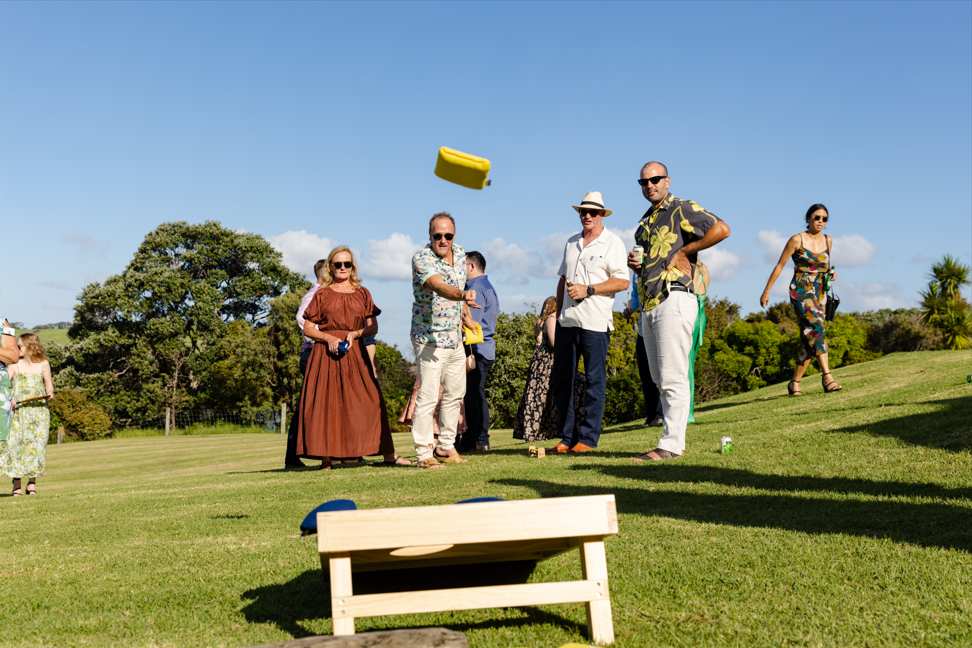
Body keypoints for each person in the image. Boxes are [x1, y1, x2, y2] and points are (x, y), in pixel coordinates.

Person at [629, 162, 731, 461]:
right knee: (659, 378)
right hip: (650, 303)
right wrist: (637, 264)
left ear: (667, 181)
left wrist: (685, 251)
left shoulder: (681, 208)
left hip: (674, 297)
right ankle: (672, 441)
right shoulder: (644, 224)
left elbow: (721, 229)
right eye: (643, 182)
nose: (650, 185)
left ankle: (671, 445)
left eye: (655, 179)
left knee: (673, 376)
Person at [296, 246, 410, 470]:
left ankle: (389, 455)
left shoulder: (362, 293)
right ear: (330, 266)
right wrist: (327, 337)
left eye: (346, 264)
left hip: (355, 354)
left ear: (352, 267)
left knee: (371, 401)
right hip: (325, 356)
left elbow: (372, 326)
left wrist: (357, 333)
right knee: (327, 405)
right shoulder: (321, 294)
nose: (342, 268)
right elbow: (308, 328)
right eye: (338, 264)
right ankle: (326, 459)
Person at [549, 192, 629, 454]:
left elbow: (622, 281)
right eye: (583, 211)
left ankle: (588, 439)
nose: (587, 216)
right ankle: (566, 437)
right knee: (563, 380)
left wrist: (589, 290)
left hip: (595, 323)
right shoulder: (571, 242)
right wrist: (559, 314)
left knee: (595, 381)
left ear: (602, 215)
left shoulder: (613, 243)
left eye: (593, 212)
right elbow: (562, 281)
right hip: (567, 323)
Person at [409, 212, 481, 469]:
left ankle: (445, 446)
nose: (443, 240)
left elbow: (459, 290)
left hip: (454, 338)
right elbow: (438, 286)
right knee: (428, 397)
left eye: (447, 235)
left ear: (454, 236)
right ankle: (423, 454)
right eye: (437, 235)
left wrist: (467, 318)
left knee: (455, 393)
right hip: (429, 338)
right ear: (429, 236)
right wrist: (463, 294)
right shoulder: (422, 258)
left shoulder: (460, 254)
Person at [760, 204, 842, 395]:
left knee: (808, 339)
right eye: (816, 217)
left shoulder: (829, 241)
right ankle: (827, 377)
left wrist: (832, 273)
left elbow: (825, 266)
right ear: (808, 218)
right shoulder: (797, 239)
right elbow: (780, 265)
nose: (820, 221)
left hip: (820, 292)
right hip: (801, 291)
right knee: (817, 330)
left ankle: (794, 382)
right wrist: (766, 291)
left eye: (824, 218)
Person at [512, 297, 588, 442]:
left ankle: (547, 429)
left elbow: (537, 341)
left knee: (542, 396)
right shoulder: (552, 319)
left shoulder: (540, 322)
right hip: (550, 361)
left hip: (541, 361)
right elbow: (554, 343)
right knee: (553, 394)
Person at [284, 259, 327, 469]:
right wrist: (322, 336)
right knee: (305, 406)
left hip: (319, 353)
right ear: (324, 274)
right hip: (313, 354)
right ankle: (292, 457)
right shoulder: (315, 295)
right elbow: (301, 318)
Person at [1, 333, 54, 495]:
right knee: (15, 447)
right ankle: (16, 484)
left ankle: (32, 484)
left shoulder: (43, 363)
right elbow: (5, 385)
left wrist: (50, 393)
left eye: (20, 346)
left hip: (38, 413)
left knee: (36, 447)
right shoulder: (14, 364)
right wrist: (11, 398)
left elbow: (49, 385)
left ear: (31, 346)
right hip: (18, 413)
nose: (17, 349)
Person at [460, 251, 498, 452]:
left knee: (472, 395)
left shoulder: (474, 288)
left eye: (462, 264)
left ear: (471, 266)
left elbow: (470, 323)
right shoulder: (487, 286)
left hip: (475, 349)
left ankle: (474, 440)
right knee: (477, 394)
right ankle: (480, 440)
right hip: (486, 348)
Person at [623, 277, 664, 428]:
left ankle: (660, 415)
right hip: (643, 327)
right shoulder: (635, 270)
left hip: (660, 323)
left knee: (661, 371)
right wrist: (630, 308)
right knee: (646, 373)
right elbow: (635, 294)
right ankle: (651, 414)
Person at [687, 260, 710, 423]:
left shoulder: (687, 271)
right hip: (700, 317)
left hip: (690, 316)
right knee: (689, 366)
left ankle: (686, 414)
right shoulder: (703, 270)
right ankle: (688, 412)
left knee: (684, 367)